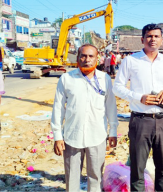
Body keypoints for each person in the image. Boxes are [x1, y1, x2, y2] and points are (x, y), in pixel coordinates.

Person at [113, 24, 163, 191]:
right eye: (149, 36)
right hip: (141, 120)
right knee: (137, 168)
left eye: (156, 36)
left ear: (161, 40)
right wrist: (139, 97)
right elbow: (117, 87)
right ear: (142, 39)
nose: (153, 39)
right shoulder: (131, 60)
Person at [51, 44, 118, 192]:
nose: (87, 59)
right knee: (72, 178)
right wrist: (57, 136)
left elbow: (111, 106)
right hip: (72, 136)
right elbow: (58, 107)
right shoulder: (66, 78)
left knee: (95, 177)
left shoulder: (104, 78)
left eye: (91, 56)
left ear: (97, 59)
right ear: (77, 58)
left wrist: (113, 130)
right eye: (83, 56)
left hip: (97, 135)